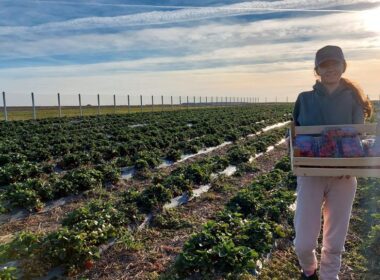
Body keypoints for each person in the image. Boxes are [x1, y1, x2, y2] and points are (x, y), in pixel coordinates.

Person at [292, 45, 373, 280]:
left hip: (344, 177)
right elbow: (296, 133)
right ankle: (309, 269)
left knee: (335, 240)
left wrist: (352, 163)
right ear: (317, 69)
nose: (330, 69)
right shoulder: (304, 99)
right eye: (324, 65)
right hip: (311, 175)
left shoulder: (354, 99)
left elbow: (358, 137)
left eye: (335, 64)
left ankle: (329, 276)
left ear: (343, 66)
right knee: (304, 243)